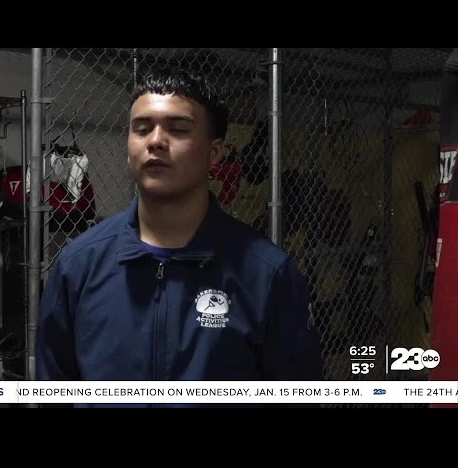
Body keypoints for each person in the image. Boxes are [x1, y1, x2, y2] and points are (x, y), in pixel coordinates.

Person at [35, 67, 324, 407]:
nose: (155, 140)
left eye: (177, 129)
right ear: (129, 148)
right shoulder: (78, 265)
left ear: (214, 153)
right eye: (141, 129)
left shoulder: (268, 274)